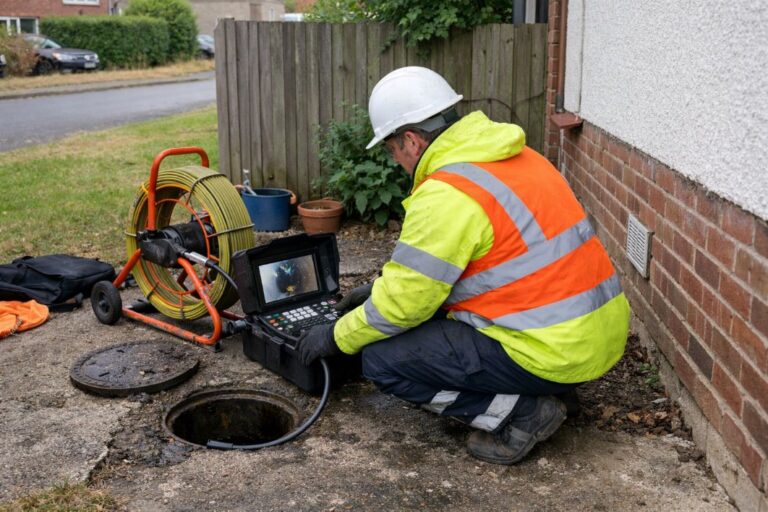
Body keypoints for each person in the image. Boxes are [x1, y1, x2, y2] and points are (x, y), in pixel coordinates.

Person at [296, 66, 630, 465]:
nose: (395, 160)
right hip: (596, 337)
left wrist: (335, 336)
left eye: (391, 149)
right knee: (431, 321)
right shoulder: (523, 157)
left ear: (411, 140)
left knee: (382, 362)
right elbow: (494, 266)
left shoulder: (447, 192)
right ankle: (554, 390)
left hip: (548, 351)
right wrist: (378, 290)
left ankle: (523, 413)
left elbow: (405, 306)